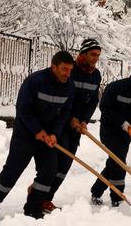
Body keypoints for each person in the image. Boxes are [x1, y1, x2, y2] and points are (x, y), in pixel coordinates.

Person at [0, 51, 75, 223]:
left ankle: (33, 209)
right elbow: (23, 109)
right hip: (26, 135)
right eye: (64, 69)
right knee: (12, 172)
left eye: (70, 70)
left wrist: (54, 133)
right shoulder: (35, 81)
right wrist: (37, 131)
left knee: (48, 172)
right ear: (54, 66)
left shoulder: (69, 86)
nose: (68, 74)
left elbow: (65, 113)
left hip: (47, 138)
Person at [43, 38, 103, 213]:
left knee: (66, 165)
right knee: (57, 164)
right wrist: (70, 118)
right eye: (92, 54)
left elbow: (93, 101)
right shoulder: (71, 70)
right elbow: (62, 96)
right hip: (61, 122)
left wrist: (84, 120)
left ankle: (47, 198)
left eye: (98, 55)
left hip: (77, 126)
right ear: (83, 53)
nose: (95, 58)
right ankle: (40, 196)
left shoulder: (96, 75)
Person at [90, 58, 131, 207]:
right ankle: (117, 196)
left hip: (126, 135)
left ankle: (96, 191)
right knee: (119, 161)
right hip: (109, 130)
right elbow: (105, 107)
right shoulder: (116, 87)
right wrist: (122, 123)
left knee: (115, 162)